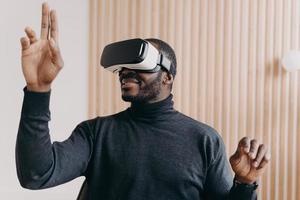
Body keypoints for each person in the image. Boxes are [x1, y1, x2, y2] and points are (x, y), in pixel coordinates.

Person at [16, 3, 270, 200]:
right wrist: (39, 89)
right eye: (123, 68)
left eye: (139, 65)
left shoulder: (204, 140)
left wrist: (245, 184)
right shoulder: (96, 134)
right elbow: (35, 174)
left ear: (168, 76)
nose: (126, 71)